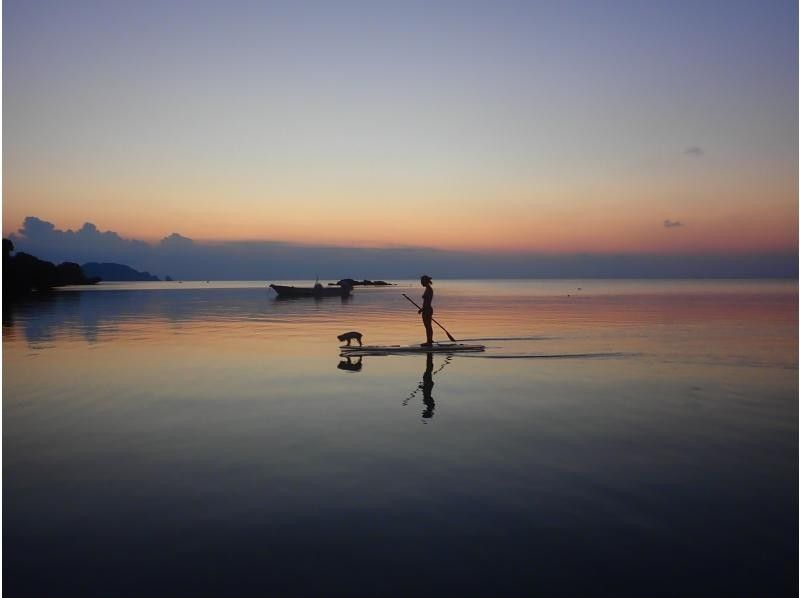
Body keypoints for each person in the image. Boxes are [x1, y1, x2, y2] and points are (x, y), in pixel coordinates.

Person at [418, 275, 434, 346]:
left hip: (427, 310)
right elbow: (425, 302)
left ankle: (429, 341)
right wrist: (422, 309)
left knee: (428, 326)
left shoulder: (429, 290)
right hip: (426, 309)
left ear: (425, 281)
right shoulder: (427, 289)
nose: (421, 283)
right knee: (427, 326)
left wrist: (423, 309)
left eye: (422, 281)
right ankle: (429, 340)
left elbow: (427, 302)